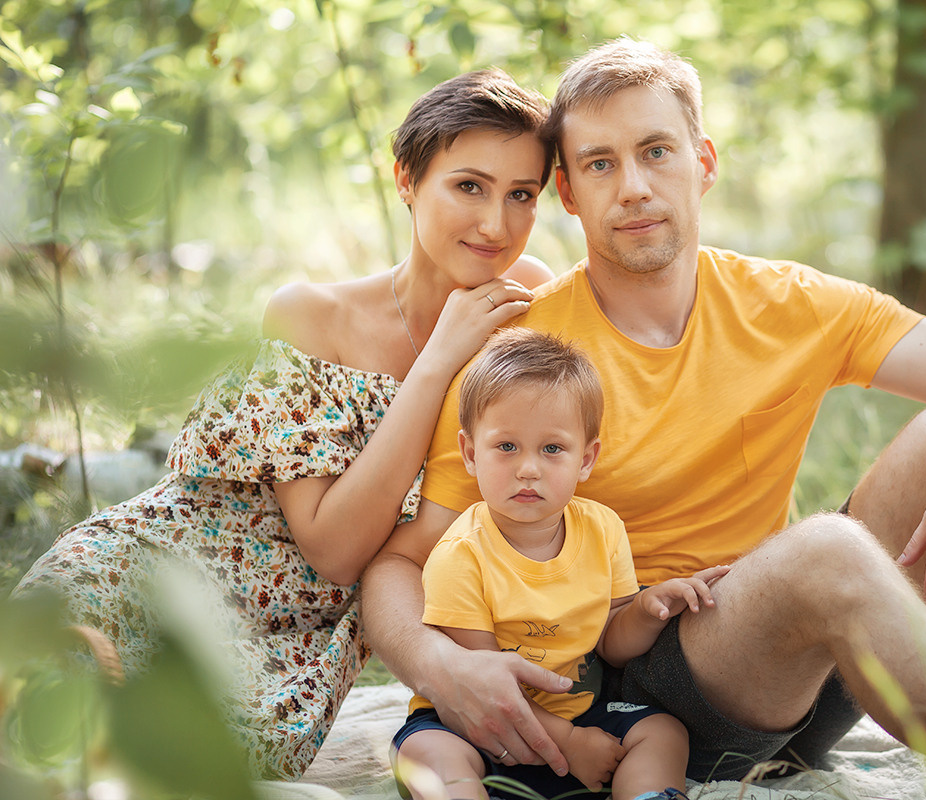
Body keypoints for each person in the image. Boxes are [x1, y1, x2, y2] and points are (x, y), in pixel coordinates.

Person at [360, 39, 926, 800]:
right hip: (642, 694)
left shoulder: (782, 300)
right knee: (826, 547)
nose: (636, 186)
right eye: (601, 164)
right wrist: (438, 664)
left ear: (703, 162)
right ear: (570, 194)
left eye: (656, 151)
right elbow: (401, 561)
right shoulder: (524, 353)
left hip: (797, 668)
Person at [13, 68, 556, 779]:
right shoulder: (312, 316)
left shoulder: (524, 300)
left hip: (293, 654)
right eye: (469, 186)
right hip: (150, 577)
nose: (496, 225)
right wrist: (435, 366)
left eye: (522, 195)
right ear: (406, 179)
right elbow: (333, 549)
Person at [393, 327, 723, 800]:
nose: (528, 469)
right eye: (507, 446)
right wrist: (567, 743)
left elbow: (611, 642)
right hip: (474, 724)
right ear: (470, 453)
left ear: (585, 459)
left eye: (552, 449)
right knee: (428, 754)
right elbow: (483, 685)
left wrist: (649, 609)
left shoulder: (602, 529)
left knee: (664, 732)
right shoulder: (460, 555)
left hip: (578, 713)